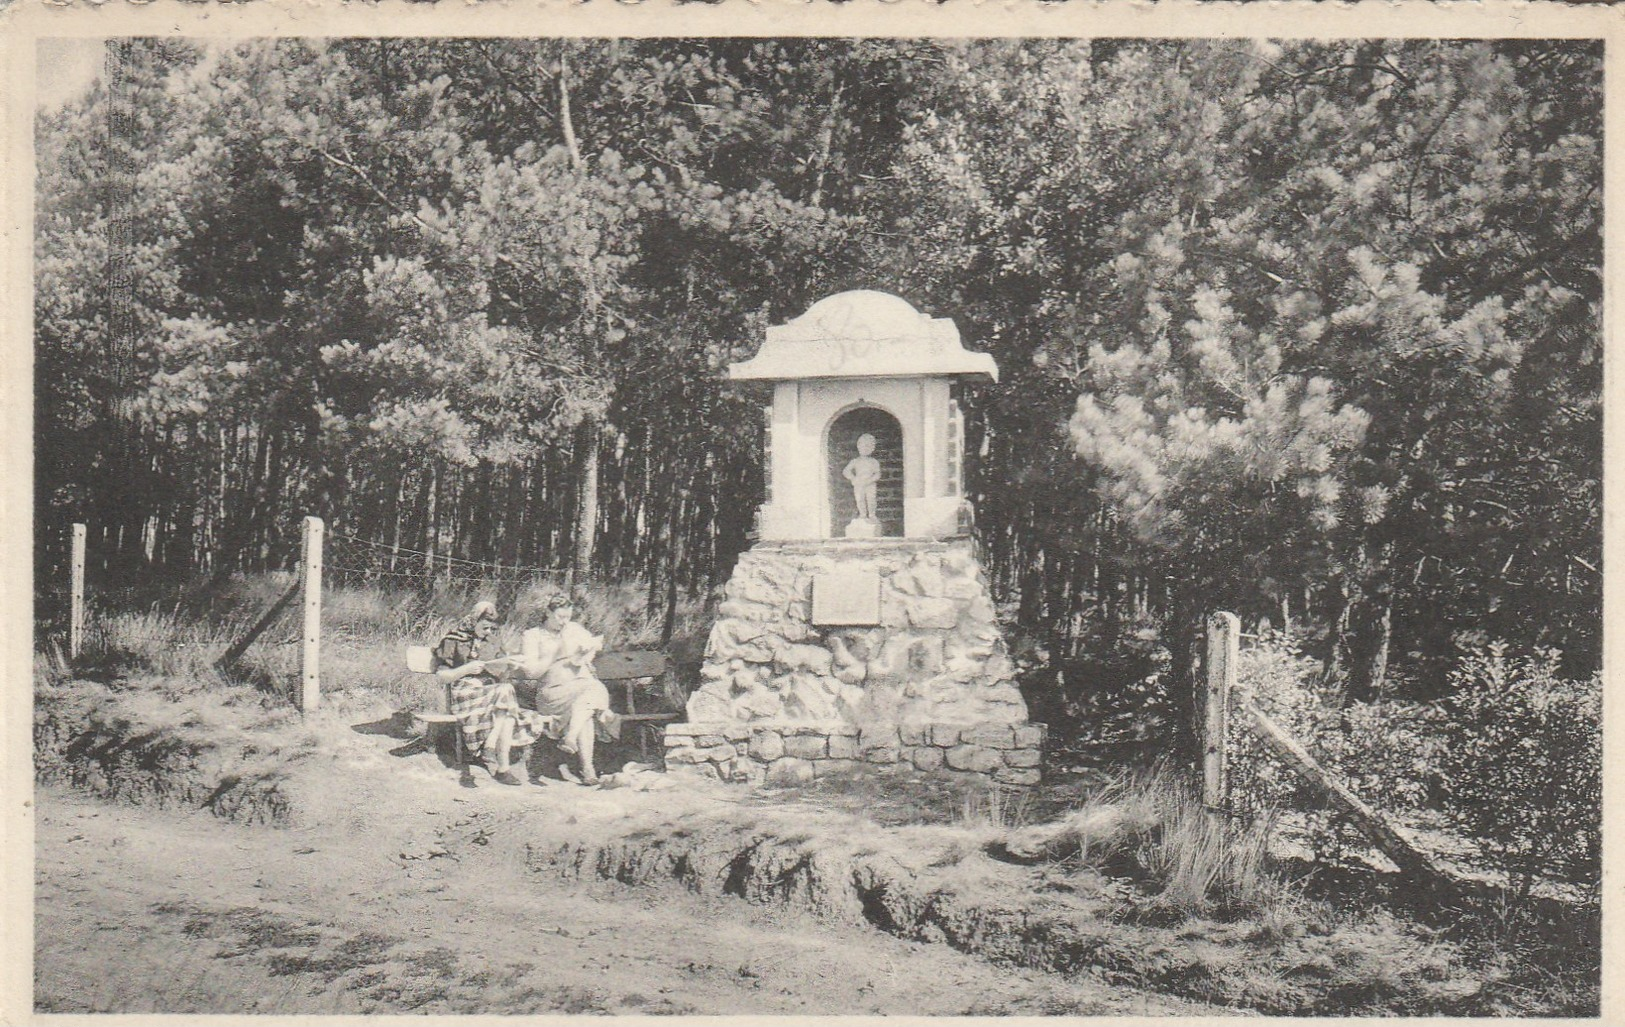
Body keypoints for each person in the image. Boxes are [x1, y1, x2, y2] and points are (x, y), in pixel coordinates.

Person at [433, 601, 549, 788]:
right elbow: (442, 677)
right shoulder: (453, 639)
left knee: (506, 694)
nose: (488, 632)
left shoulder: (493, 641)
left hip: (492, 693)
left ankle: (496, 757)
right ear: (473, 620)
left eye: (491, 628)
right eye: (485, 627)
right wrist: (466, 669)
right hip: (466, 692)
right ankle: (498, 762)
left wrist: (509, 668)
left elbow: (501, 675)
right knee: (507, 699)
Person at [515, 594, 618, 785]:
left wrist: (587, 652)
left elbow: (595, 644)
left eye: (568, 617)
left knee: (585, 705)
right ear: (547, 612)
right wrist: (555, 653)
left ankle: (581, 756)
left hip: (581, 690)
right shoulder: (532, 635)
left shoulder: (574, 629)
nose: (564, 622)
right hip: (553, 693)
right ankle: (584, 763)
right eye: (560, 617)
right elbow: (531, 672)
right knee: (593, 691)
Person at [843, 432, 881, 521]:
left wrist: (870, 480)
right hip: (859, 483)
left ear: (872, 448)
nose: (865, 448)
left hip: (870, 483)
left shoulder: (873, 462)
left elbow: (878, 474)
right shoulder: (855, 461)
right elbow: (846, 471)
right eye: (862, 446)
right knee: (860, 499)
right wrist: (853, 478)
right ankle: (862, 515)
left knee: (871, 499)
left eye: (868, 446)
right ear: (858, 446)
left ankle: (872, 515)